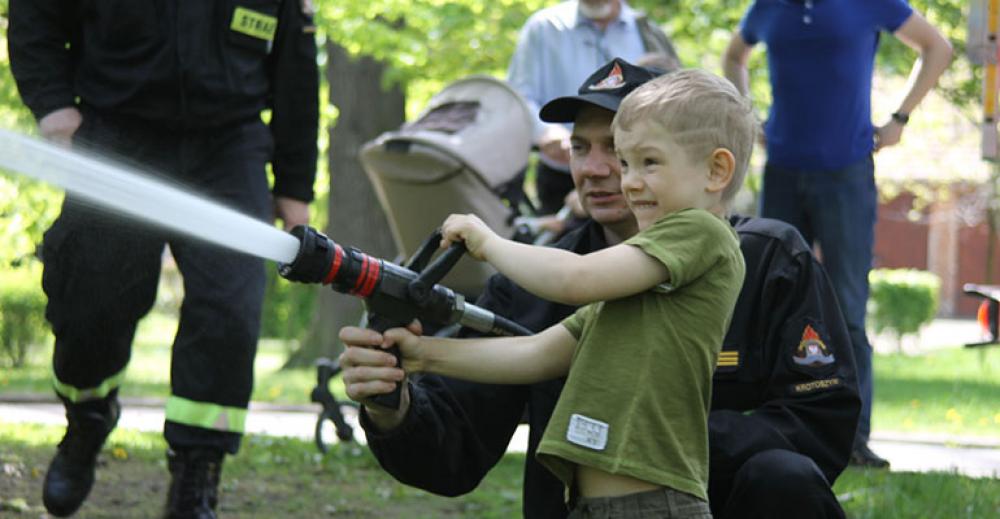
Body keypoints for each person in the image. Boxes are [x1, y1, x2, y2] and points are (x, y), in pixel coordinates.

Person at [342, 59, 860, 519]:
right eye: (579, 147)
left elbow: (818, 423)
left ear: (710, 167)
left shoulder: (762, 256)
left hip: (688, 501)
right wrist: (403, 378)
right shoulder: (540, 277)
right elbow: (508, 382)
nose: (600, 170)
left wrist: (645, 442)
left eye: (628, 152)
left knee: (783, 478)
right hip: (581, 505)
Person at [8, 1, 319, 517]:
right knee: (90, 301)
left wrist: (294, 188)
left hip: (229, 148)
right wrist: (52, 104)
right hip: (116, 134)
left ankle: (198, 473)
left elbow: (296, 69)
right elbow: (34, 15)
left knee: (229, 311)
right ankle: (87, 418)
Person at [722, 0, 952, 468]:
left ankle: (852, 440)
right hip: (783, 169)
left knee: (847, 308)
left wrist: (899, 120)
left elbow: (937, 47)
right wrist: (747, 116)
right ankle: (772, 426)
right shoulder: (767, 7)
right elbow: (733, 57)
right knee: (765, 304)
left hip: (846, 171)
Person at [508, 0, 679, 215]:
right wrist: (544, 131)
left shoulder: (646, 30)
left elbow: (674, 99)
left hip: (634, 173)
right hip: (562, 172)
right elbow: (518, 94)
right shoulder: (545, 26)